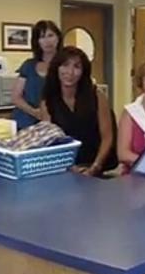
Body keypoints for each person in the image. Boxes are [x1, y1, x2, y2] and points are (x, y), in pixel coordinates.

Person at [41, 46, 117, 176]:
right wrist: (69, 167)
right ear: (56, 68)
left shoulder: (97, 96)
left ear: (83, 72)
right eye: (65, 65)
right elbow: (51, 142)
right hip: (68, 169)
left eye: (77, 67)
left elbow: (107, 137)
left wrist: (95, 167)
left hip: (101, 166)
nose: (70, 72)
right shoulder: (47, 102)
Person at [11, 20, 62, 130]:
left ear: (58, 37)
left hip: (56, 123)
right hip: (26, 122)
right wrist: (35, 112)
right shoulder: (28, 65)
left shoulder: (65, 65)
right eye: (42, 37)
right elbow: (16, 97)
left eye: (50, 35)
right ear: (37, 41)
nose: (47, 41)